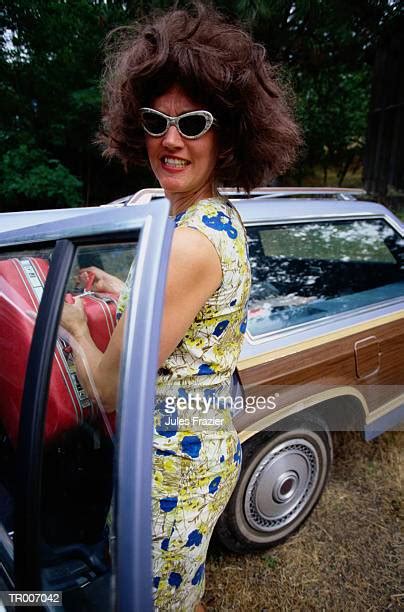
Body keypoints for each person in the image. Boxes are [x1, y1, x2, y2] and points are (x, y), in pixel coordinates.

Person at [61, 3, 301, 610]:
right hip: (198, 450)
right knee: (176, 590)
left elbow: (111, 387)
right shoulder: (208, 218)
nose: (170, 140)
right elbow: (195, 322)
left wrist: (67, 321)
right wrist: (123, 294)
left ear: (226, 135)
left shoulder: (189, 241)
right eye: (154, 120)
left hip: (165, 473)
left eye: (192, 123)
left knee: (152, 600)